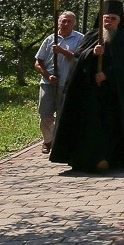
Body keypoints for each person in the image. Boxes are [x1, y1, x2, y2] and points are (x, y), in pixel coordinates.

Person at [49, 1, 124, 172]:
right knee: (91, 127)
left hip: (115, 95)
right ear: (101, 19)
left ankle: (114, 158)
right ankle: (91, 158)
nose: (109, 21)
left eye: (113, 18)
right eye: (106, 18)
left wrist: (107, 74)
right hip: (91, 93)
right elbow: (78, 58)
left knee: (113, 127)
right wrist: (92, 53)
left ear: (119, 21)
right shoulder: (92, 36)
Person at [34, 11, 83, 155]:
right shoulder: (50, 39)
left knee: (64, 115)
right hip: (48, 83)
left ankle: (61, 143)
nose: (65, 24)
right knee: (45, 115)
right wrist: (48, 76)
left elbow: (80, 58)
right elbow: (38, 62)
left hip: (67, 84)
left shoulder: (79, 39)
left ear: (74, 23)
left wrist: (63, 51)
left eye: (69, 21)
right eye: (63, 21)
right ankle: (47, 141)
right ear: (58, 22)